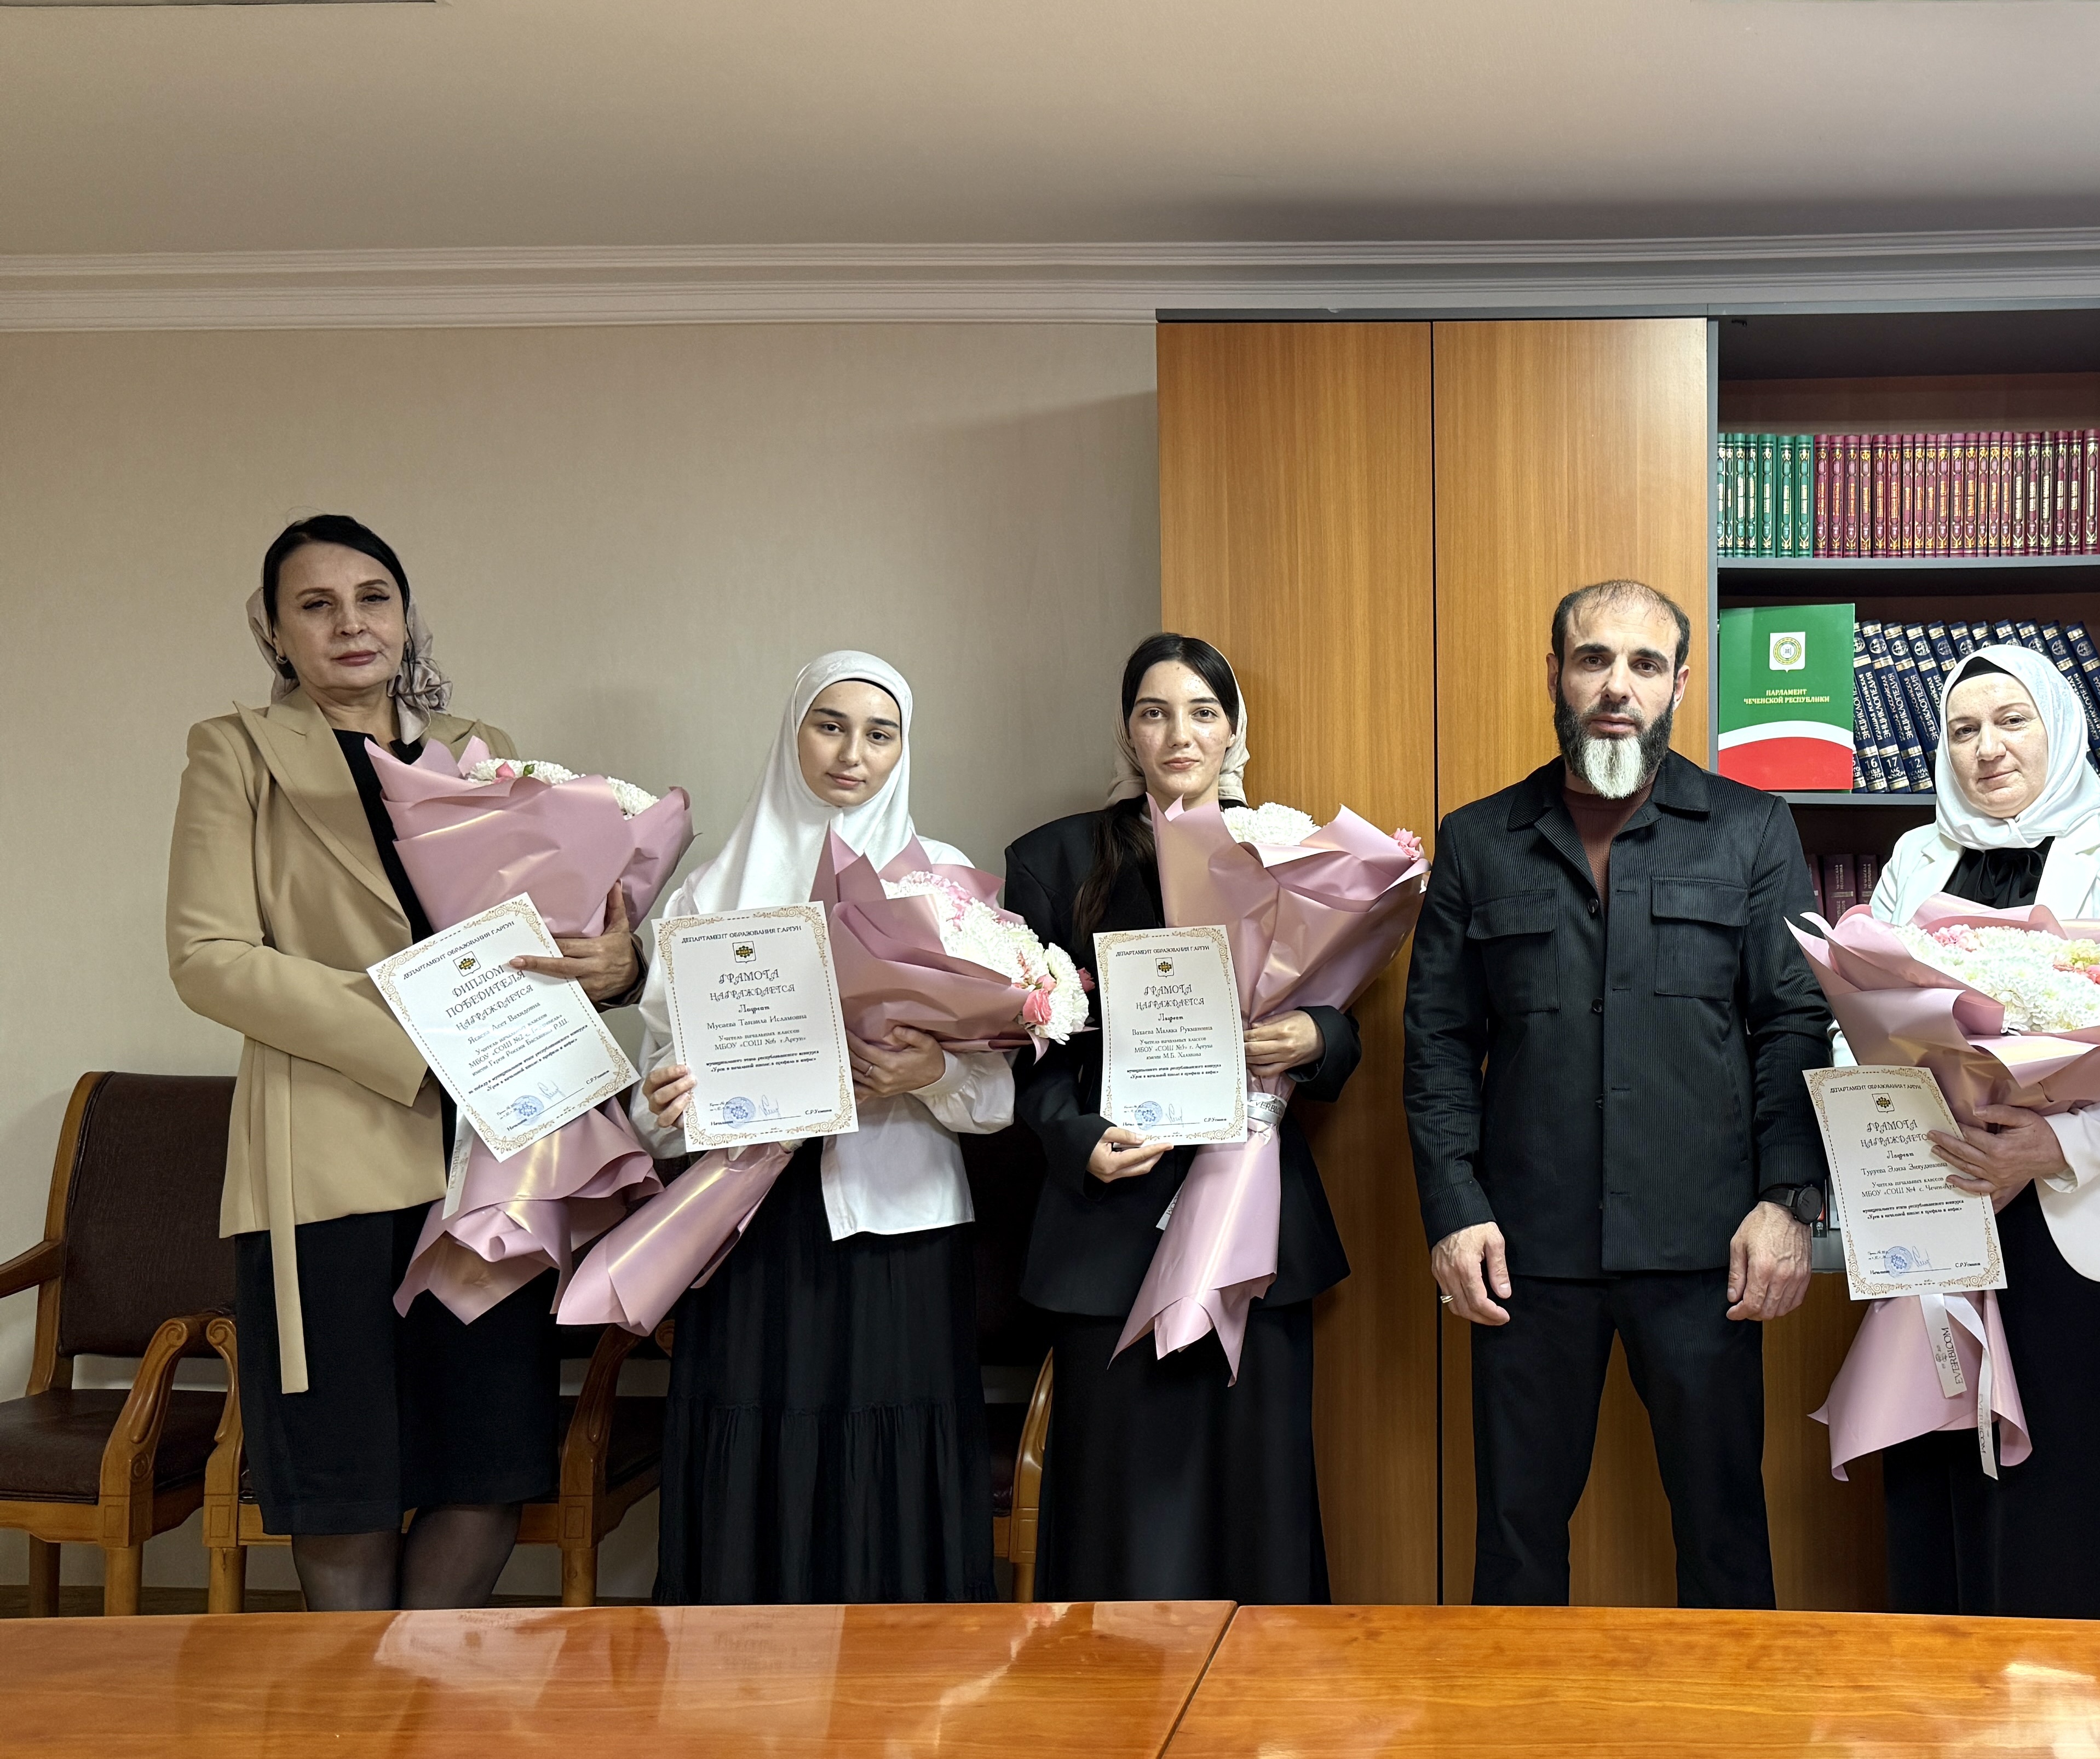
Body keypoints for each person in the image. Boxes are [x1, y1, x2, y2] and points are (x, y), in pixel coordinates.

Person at [168, 515, 637, 1610]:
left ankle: (425, 1691)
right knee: (346, 1482)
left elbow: (543, 929)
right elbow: (207, 957)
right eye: (317, 604)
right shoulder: (236, 750)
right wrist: (414, 1032)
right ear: (273, 630)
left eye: (373, 597)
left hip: (493, 1157)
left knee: (486, 1462)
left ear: (406, 613)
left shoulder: (478, 747)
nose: (351, 624)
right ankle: (358, 1698)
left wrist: (619, 963)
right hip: (325, 1154)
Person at [1404, 579, 1833, 1608]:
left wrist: (1788, 1202)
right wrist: (1454, 1211)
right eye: (1594, 659)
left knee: (1724, 1535)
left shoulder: (1751, 829)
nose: (1617, 686)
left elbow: (1793, 1024)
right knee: (1515, 1543)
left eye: (1644, 664)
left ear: (1679, 684)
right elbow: (1439, 1041)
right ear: (1555, 673)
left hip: (1707, 1249)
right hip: (1525, 1253)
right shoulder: (1478, 840)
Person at [633, 651, 1010, 1604]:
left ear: (903, 750)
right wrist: (667, 1100)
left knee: (893, 1450)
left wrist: (932, 1074)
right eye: (830, 725)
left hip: (899, 1217)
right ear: (792, 732)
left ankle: (902, 1681)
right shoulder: (709, 894)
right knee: (757, 1442)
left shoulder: (945, 888)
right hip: (750, 1222)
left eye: (880, 734)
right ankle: (748, 1679)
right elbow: (653, 1096)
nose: (852, 753)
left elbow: (999, 1096)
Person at [1003, 633, 1359, 1604]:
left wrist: (1315, 1037)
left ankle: (1258, 1685)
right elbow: (1025, 1050)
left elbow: (1346, 1023)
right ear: (1128, 731)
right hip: (1107, 1230)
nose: (1179, 734)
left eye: (1203, 712)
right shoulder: (1053, 859)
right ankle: (1117, 1688)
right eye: (1154, 712)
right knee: (1117, 1502)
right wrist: (1078, 1140)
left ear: (1234, 730)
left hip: (1252, 1215)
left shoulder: (1287, 850)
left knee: (1258, 1491)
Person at [1857, 644, 2100, 1619]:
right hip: (1948, 1195)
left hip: (2091, 1221)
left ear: (2058, 727)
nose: (1988, 747)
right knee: (1950, 1473)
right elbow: (1862, 1017)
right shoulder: (1914, 858)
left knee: (2092, 1494)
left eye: (2012, 721)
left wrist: (2056, 1146)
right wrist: (1921, 1108)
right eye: (1963, 729)